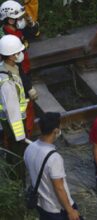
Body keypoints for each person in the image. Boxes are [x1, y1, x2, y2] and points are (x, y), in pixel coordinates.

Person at [24, 112, 82, 220]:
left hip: (41, 204)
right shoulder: (54, 158)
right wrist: (70, 210)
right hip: (57, 209)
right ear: (56, 130)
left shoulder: (29, 148)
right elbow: (59, 188)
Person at [0, 0, 40, 137]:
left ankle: (26, 130)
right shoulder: (7, 40)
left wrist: (31, 23)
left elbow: (33, 34)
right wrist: (29, 87)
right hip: (18, 74)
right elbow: (16, 68)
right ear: (9, 20)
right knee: (23, 103)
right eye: (18, 18)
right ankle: (24, 133)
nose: (20, 20)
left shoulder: (15, 31)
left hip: (24, 69)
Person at [0, 35, 29, 181]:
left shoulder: (12, 68)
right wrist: (20, 136)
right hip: (13, 125)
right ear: (10, 55)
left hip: (16, 122)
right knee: (18, 156)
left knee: (17, 154)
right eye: (17, 52)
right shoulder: (6, 81)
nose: (19, 55)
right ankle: (19, 185)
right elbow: (12, 112)